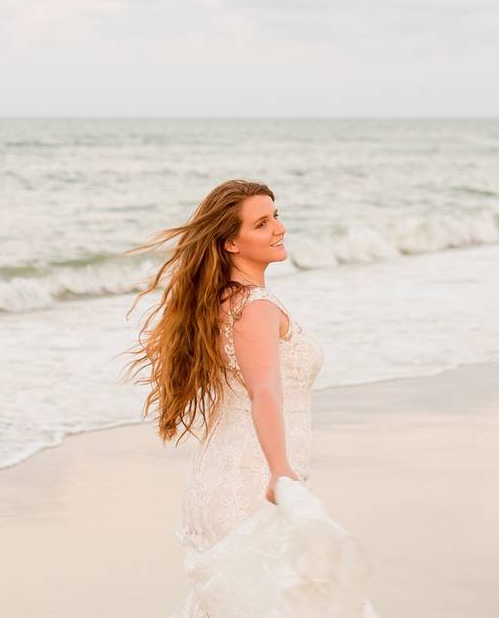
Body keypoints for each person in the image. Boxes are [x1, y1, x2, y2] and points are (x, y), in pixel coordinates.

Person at [122, 180, 378, 616]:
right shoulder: (255, 307)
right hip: (252, 485)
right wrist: (282, 475)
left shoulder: (222, 300)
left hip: (224, 477)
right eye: (261, 223)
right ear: (231, 244)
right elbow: (264, 393)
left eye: (275, 215)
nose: (278, 228)